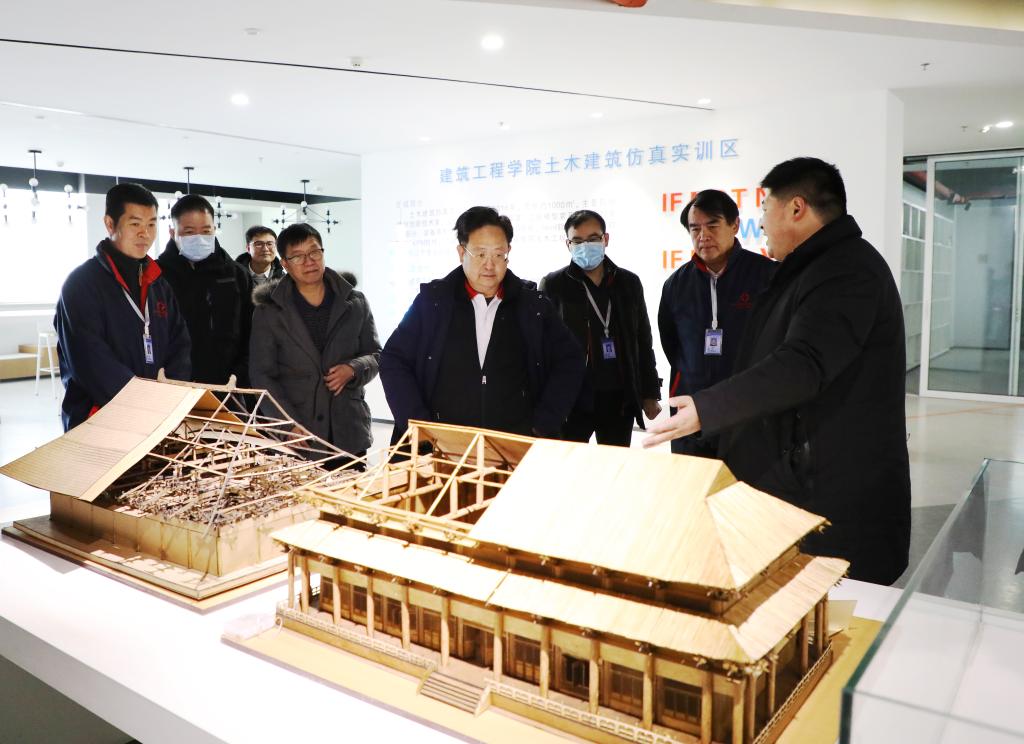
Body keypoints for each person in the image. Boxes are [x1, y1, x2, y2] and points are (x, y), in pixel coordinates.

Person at [645, 157, 911, 585]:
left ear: (796, 208)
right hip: (801, 473)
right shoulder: (810, 268)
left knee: (828, 604)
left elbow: (802, 364)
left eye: (765, 208)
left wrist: (707, 408)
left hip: (831, 490)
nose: (762, 222)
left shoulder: (845, 270)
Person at [380, 206, 585, 444]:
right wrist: (418, 424)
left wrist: (544, 422)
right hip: (444, 444)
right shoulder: (433, 302)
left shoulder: (533, 306)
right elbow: (393, 359)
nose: (489, 265)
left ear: (508, 252)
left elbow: (570, 359)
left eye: (498, 254)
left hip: (514, 444)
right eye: (480, 254)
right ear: (461, 252)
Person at [54, 183, 191, 430]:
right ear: (110, 224)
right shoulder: (82, 284)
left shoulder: (158, 283)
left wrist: (169, 398)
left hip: (157, 419)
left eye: (151, 224)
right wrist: (144, 406)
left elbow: (180, 344)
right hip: (99, 420)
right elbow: (91, 362)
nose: (145, 234)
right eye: (135, 224)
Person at [250, 223, 381, 463]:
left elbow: (375, 354)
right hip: (299, 432)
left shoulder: (355, 302)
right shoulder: (269, 311)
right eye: (298, 256)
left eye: (314, 252)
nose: (309, 261)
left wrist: (354, 369)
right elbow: (262, 375)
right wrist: (286, 423)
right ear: (285, 264)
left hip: (348, 430)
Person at [657, 189, 774, 456]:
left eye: (712, 225)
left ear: (735, 225)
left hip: (749, 413)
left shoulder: (766, 275)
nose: (703, 235)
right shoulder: (676, 285)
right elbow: (671, 343)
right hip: (691, 413)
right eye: (695, 228)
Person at [540, 209, 661, 446]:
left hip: (619, 397)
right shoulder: (553, 284)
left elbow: (642, 340)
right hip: (573, 398)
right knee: (570, 462)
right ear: (568, 244)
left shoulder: (628, 282)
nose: (585, 246)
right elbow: (543, 347)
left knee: (615, 462)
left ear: (605, 239)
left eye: (593, 238)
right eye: (577, 241)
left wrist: (649, 392)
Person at [157, 194, 253, 385]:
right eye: (189, 232)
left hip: (227, 385)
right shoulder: (157, 275)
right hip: (172, 383)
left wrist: (239, 374)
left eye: (206, 231)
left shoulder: (236, 274)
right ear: (172, 232)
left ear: (214, 230)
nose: (199, 238)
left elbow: (250, 331)